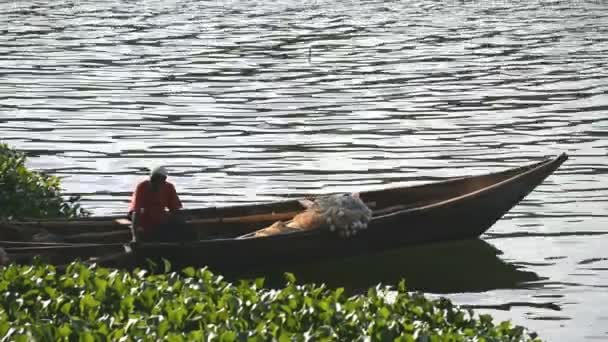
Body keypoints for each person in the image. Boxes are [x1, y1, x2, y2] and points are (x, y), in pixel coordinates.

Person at [128, 166, 187, 242]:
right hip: (145, 222)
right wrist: (135, 237)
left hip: (160, 220)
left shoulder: (169, 187)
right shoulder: (142, 187)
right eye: (153, 180)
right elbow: (136, 212)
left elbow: (175, 210)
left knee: (181, 225)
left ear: (164, 180)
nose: (154, 183)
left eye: (158, 180)